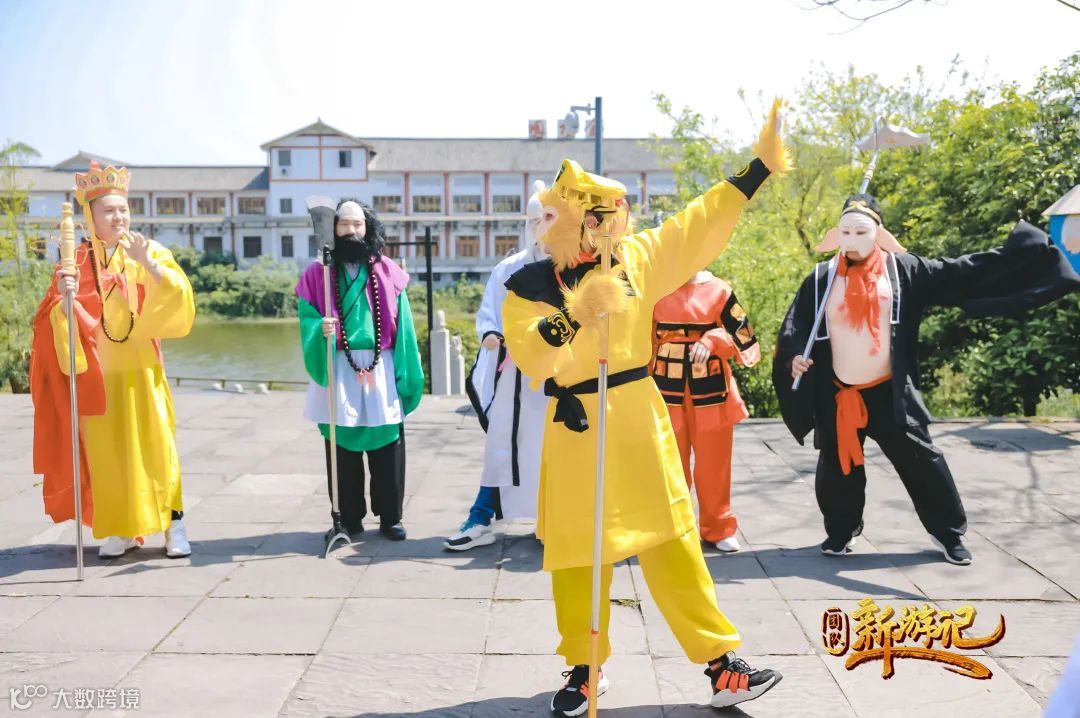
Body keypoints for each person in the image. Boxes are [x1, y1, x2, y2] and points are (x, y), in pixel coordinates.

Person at [502, 101, 789, 715]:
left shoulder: (635, 259)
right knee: (578, 551)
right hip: (576, 421)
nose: (548, 223)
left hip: (637, 410)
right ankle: (584, 668)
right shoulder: (527, 287)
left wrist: (757, 170)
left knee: (673, 539)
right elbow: (531, 357)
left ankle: (720, 665)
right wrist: (576, 314)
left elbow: (694, 224)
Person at [773, 194, 1080, 565]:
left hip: (889, 392)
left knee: (922, 461)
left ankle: (948, 534)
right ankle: (841, 531)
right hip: (839, 393)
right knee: (838, 468)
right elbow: (796, 326)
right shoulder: (821, 279)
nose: (852, 239)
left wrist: (1022, 252)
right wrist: (794, 357)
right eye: (845, 232)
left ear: (879, 234)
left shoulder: (904, 270)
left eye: (861, 231)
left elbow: (962, 272)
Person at [30, 161, 196, 558]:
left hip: (142, 370)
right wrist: (63, 298)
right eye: (109, 210)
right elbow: (55, 319)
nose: (118, 217)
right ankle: (121, 528)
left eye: (123, 209)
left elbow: (180, 295)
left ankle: (173, 525)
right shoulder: (76, 260)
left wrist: (148, 264)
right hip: (99, 377)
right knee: (107, 456)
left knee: (158, 448)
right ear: (91, 216)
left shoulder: (148, 250)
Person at [295, 199, 423, 542]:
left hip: (381, 365)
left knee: (387, 445)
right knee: (342, 448)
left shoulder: (388, 271)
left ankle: (391, 517)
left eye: (357, 224)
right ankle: (348, 518)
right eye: (343, 224)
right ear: (333, 230)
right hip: (338, 364)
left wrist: (408, 375)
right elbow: (307, 318)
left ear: (368, 229)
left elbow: (405, 327)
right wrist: (318, 328)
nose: (351, 230)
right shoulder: (318, 274)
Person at [448, 184, 550, 550]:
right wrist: (491, 333)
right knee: (503, 443)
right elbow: (490, 312)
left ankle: (555, 519)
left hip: (561, 376)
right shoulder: (509, 268)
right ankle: (481, 515)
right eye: (535, 221)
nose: (541, 228)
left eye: (547, 219)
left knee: (554, 449)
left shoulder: (575, 267)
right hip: (516, 373)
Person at [651, 270, 760, 553]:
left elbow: (744, 334)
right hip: (664, 389)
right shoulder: (655, 286)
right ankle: (673, 528)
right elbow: (639, 338)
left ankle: (718, 526)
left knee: (715, 464)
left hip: (711, 390)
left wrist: (713, 339)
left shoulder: (720, 290)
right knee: (669, 464)